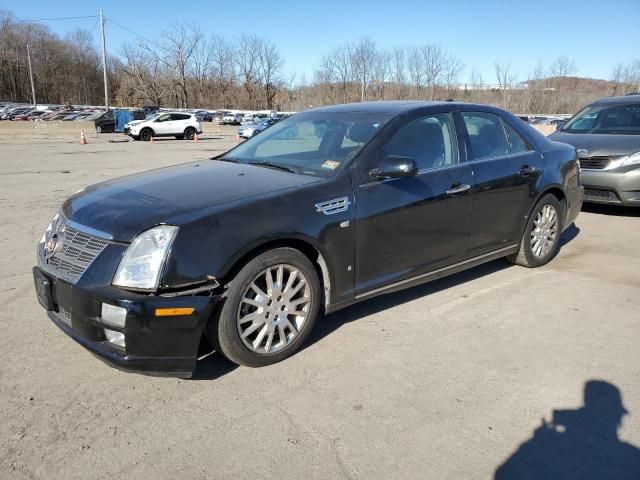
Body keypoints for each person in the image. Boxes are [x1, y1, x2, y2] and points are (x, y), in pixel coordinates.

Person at [495, 380, 640, 480]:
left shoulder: (549, 443)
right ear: (617, 416)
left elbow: (503, 474)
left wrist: (536, 441)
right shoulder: (632, 456)